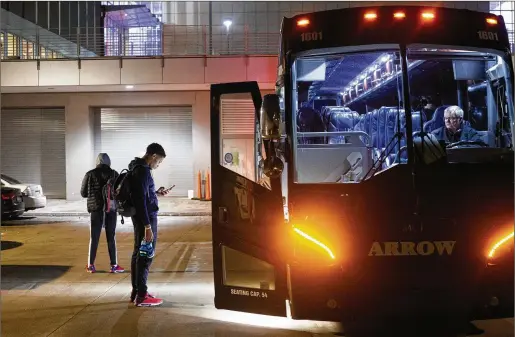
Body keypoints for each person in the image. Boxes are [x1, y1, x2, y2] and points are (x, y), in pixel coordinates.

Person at [128, 143, 171, 307]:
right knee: (145, 255)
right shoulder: (143, 171)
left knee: (138, 254)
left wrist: (157, 192)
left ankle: (137, 292)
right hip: (145, 218)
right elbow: (140, 200)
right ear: (153, 156)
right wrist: (147, 226)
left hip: (140, 217)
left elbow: (142, 194)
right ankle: (142, 296)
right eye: (159, 161)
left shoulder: (136, 167)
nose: (158, 165)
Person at [80, 153, 124, 274]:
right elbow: (120, 192)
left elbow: (83, 193)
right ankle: (114, 265)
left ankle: (91, 265)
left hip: (95, 209)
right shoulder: (114, 173)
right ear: (109, 162)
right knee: (111, 237)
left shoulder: (90, 174)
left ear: (97, 162)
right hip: (111, 209)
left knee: (94, 238)